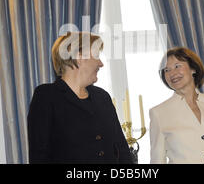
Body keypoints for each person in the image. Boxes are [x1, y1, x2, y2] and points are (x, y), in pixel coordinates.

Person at [27, 31, 132, 164]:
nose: (100, 64)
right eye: (96, 56)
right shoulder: (46, 97)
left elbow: (122, 150)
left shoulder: (102, 97)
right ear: (79, 57)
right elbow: (39, 156)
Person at [149, 47, 204, 164]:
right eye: (166, 70)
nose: (172, 73)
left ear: (193, 69)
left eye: (177, 66)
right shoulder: (159, 113)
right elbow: (157, 161)